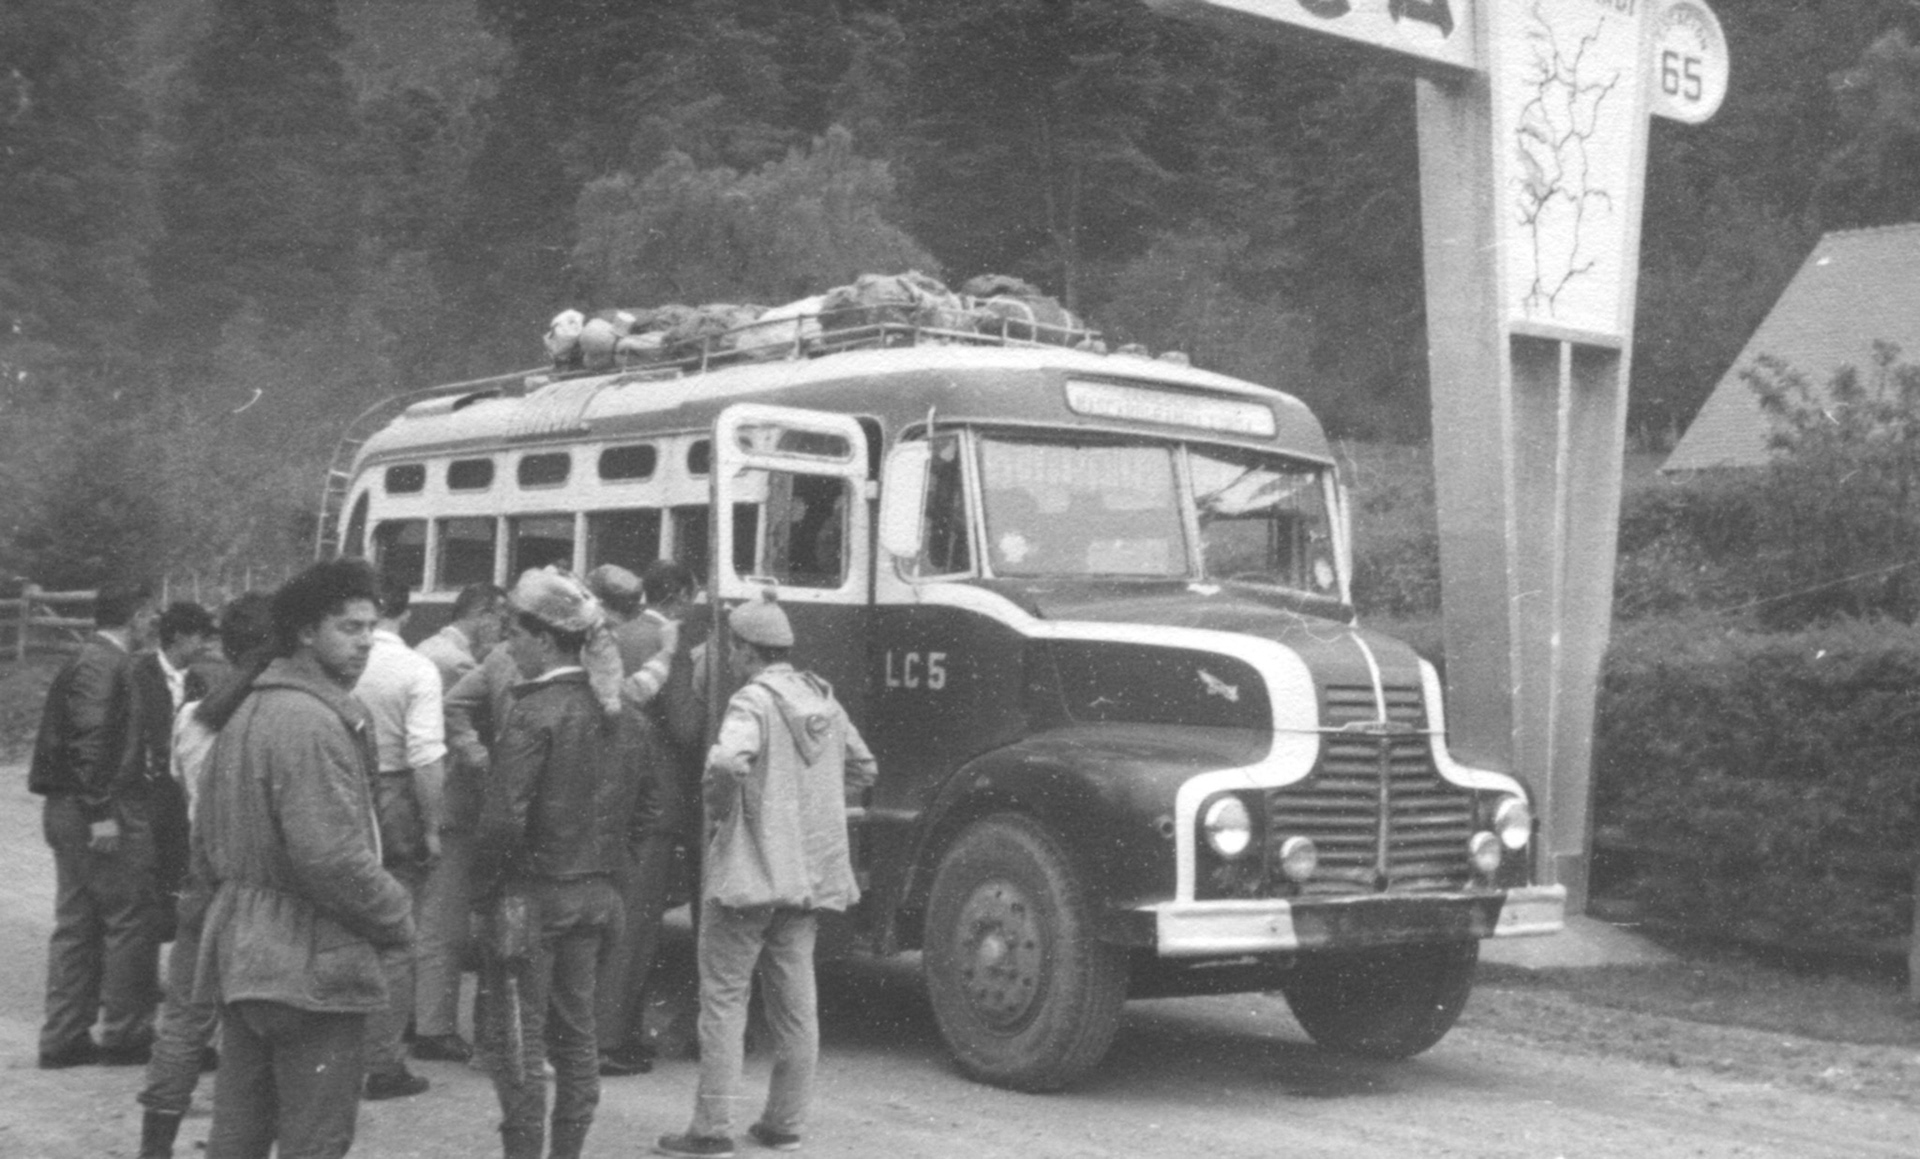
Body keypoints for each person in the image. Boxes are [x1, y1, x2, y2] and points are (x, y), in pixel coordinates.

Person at [190, 559, 414, 1158]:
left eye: (371, 626)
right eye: (348, 627)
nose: (366, 641)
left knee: (236, 1138)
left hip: (246, 957)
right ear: (304, 633)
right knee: (315, 1142)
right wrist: (397, 916)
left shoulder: (246, 708)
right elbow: (332, 857)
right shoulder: (310, 720)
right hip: (311, 965)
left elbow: (205, 843)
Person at [656, 596, 876, 1159]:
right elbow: (864, 768)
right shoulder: (822, 699)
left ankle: (711, 1130)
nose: (729, 655)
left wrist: (722, 810)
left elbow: (728, 763)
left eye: (732, 646)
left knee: (724, 1002)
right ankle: (784, 1125)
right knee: (797, 1008)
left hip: (749, 876)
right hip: (806, 877)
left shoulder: (751, 701)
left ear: (747, 650)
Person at [471, 567, 651, 1159]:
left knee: (515, 1037)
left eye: (514, 635)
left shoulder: (532, 713)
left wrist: (487, 890)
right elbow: (651, 812)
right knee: (577, 1036)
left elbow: (502, 821)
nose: (507, 647)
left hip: (529, 897)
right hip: (597, 896)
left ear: (545, 639)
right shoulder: (624, 713)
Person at [136, 593, 275, 1159]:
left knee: (183, 1022)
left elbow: (176, 778)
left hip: (202, 871)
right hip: (256, 879)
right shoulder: (269, 716)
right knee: (258, 1023)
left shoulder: (192, 717)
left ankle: (156, 1146)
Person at [30, 578, 163, 1069]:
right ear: (134, 617)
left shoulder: (95, 660)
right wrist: (102, 813)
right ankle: (126, 1033)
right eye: (151, 614)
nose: (155, 623)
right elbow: (89, 744)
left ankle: (64, 1036)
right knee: (128, 919)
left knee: (79, 922)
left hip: (75, 808)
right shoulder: (103, 663)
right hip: (99, 808)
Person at [596, 559, 696, 1077]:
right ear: (679, 593)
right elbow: (682, 727)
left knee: (616, 913)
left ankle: (614, 1029)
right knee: (636, 925)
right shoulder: (667, 644)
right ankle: (609, 1036)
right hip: (655, 797)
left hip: (614, 795)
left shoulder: (619, 633)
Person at [353, 575, 448, 1099]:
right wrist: (432, 827)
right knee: (396, 928)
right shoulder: (416, 669)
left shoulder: (342, 659)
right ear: (406, 614)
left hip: (344, 785)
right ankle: (382, 1061)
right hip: (396, 797)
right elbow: (426, 756)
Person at [410, 581, 507, 1065]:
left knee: (430, 914)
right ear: (484, 614)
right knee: (446, 922)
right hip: (457, 802)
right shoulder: (459, 663)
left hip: (433, 797)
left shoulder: (428, 648)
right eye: (499, 617)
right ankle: (433, 1025)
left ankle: (420, 1015)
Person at [125, 601, 219, 933]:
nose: (207, 645)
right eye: (200, 636)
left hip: (178, 799)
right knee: (141, 886)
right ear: (178, 636)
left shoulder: (199, 684)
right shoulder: (137, 674)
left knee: (177, 879)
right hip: (144, 796)